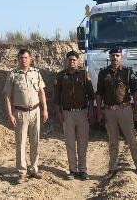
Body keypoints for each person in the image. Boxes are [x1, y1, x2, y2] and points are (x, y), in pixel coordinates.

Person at [96, 45, 137, 179]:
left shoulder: (128, 72)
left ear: (121, 57)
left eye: (117, 56)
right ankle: (112, 168)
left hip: (125, 110)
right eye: (112, 56)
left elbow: (135, 92)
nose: (115, 58)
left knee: (131, 139)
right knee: (113, 141)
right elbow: (99, 93)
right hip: (109, 112)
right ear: (109, 57)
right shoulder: (103, 73)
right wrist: (99, 111)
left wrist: (135, 110)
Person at [4, 48, 48, 183]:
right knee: (21, 143)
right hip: (20, 113)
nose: (24, 60)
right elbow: (7, 96)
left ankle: (34, 169)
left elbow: (41, 92)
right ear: (18, 59)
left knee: (35, 142)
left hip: (35, 111)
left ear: (30, 59)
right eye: (21, 58)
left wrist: (44, 109)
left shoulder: (36, 73)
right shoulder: (13, 74)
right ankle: (22, 172)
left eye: (26, 57)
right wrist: (10, 114)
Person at [54, 51, 95, 180]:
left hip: (82, 113)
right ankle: (72, 170)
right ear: (66, 61)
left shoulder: (83, 75)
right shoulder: (60, 76)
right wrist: (58, 113)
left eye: (74, 60)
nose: (72, 62)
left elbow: (91, 95)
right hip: (67, 113)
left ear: (78, 61)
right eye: (69, 60)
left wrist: (90, 110)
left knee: (83, 142)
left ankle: (82, 170)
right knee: (70, 142)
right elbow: (56, 97)